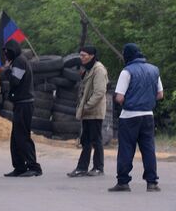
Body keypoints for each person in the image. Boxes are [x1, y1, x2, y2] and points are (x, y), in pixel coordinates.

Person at [109, 43, 164, 192]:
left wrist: (129, 100)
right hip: (148, 115)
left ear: (127, 55)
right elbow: (160, 95)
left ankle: (123, 182)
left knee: (126, 148)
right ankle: (152, 182)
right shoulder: (154, 70)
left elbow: (119, 97)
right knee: (148, 149)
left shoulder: (127, 71)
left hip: (129, 116)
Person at [1, 39, 42, 177]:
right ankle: (19, 166)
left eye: (8, 52)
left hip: (24, 104)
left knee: (22, 136)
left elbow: (15, 80)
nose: (6, 54)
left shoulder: (19, 61)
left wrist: (6, 71)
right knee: (15, 137)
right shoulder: (17, 61)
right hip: (20, 103)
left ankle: (34, 167)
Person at [67, 45, 109, 177]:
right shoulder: (88, 69)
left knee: (96, 139)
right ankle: (83, 167)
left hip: (94, 112)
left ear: (91, 56)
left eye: (84, 55)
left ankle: (97, 167)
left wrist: (87, 106)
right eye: (80, 55)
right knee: (86, 140)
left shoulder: (99, 70)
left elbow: (99, 92)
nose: (81, 58)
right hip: (88, 112)